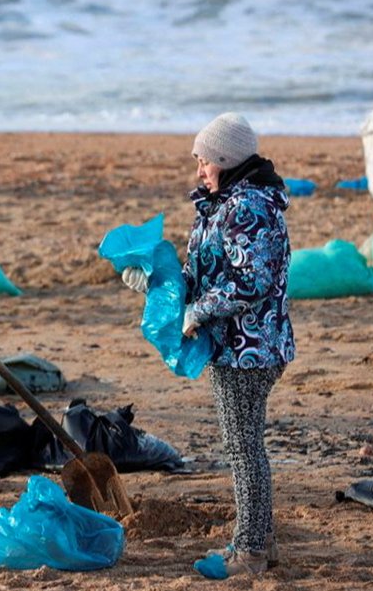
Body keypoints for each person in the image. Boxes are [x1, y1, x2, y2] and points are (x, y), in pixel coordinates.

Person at [121, 112, 295, 578]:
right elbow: (206, 274)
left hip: (251, 348)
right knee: (245, 445)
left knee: (243, 449)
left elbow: (251, 282)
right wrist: (155, 283)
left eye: (204, 161)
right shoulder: (225, 202)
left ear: (226, 159)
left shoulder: (248, 207)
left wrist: (198, 312)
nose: (199, 170)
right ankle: (261, 541)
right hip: (237, 346)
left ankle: (250, 552)